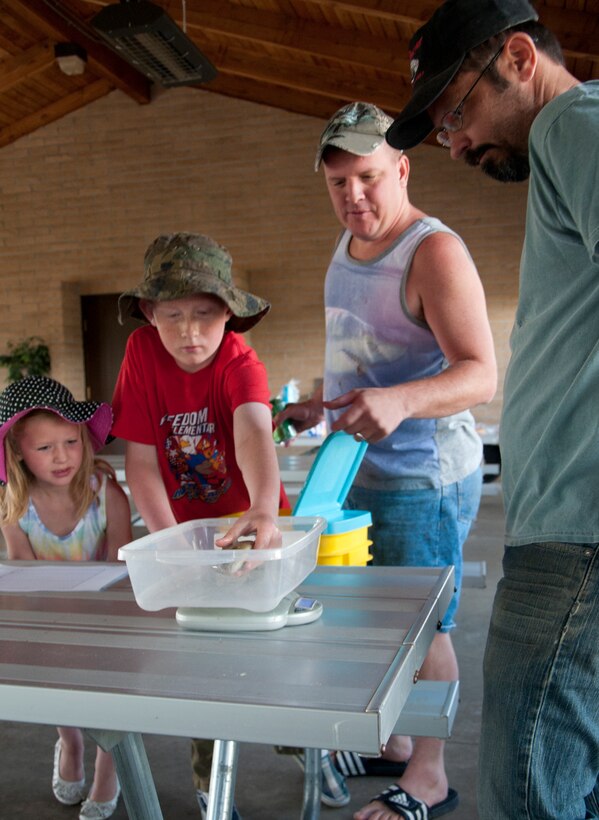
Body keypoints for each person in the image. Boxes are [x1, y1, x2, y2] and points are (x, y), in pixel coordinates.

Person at [385, 1, 599, 818]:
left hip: (575, 535)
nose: (459, 142)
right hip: (568, 524)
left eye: (457, 112)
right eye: (442, 129)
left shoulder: (573, 123)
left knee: (527, 789)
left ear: (517, 57)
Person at [276, 101, 497, 819]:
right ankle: (400, 744)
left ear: (401, 168)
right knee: (376, 620)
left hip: (421, 478)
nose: (354, 197)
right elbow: (360, 359)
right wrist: (322, 403)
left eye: (368, 177)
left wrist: (399, 403)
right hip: (356, 465)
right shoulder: (348, 245)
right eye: (338, 184)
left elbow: (478, 375)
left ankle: (429, 775)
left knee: (423, 626)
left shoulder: (432, 252)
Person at [111, 231, 289, 820]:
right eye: (173, 315)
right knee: (203, 663)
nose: (190, 332)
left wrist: (263, 507)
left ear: (230, 314)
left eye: (205, 315)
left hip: (251, 532)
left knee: (278, 648)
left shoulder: (239, 359)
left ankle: (306, 747)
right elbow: (139, 461)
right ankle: (212, 786)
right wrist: (170, 545)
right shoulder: (141, 352)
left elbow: (252, 431)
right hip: (187, 534)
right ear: (148, 313)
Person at [0, 375, 132, 820]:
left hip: (109, 617)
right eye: (44, 448)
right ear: (18, 452)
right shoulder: (14, 508)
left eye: (71, 442)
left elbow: (121, 568)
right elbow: (22, 572)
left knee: (117, 689)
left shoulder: (106, 494)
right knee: (55, 680)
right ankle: (71, 741)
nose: (62, 457)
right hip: (52, 618)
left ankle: (107, 767)